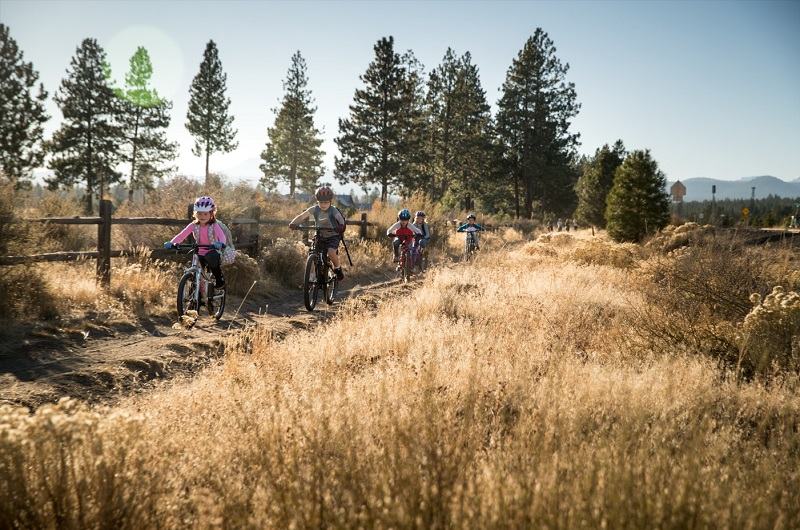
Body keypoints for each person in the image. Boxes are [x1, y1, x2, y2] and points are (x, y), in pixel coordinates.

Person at [164, 195, 226, 291]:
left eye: (205, 214)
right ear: (195, 214)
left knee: (213, 262)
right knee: (195, 270)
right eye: (199, 213)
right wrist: (172, 242)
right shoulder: (193, 225)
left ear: (211, 214)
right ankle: (195, 292)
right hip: (199, 251)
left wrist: (220, 243)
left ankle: (219, 279)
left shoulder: (214, 225)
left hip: (213, 250)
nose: (202, 216)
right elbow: (181, 235)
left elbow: (222, 236)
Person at [289, 186, 346, 280]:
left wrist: (341, 226)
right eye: (321, 202)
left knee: (331, 252)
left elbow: (340, 219)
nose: (323, 205)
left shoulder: (333, 210)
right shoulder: (315, 209)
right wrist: (293, 223)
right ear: (317, 201)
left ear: (330, 201)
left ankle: (337, 268)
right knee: (312, 252)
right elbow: (302, 216)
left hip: (333, 236)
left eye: (326, 202)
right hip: (320, 235)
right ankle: (312, 276)